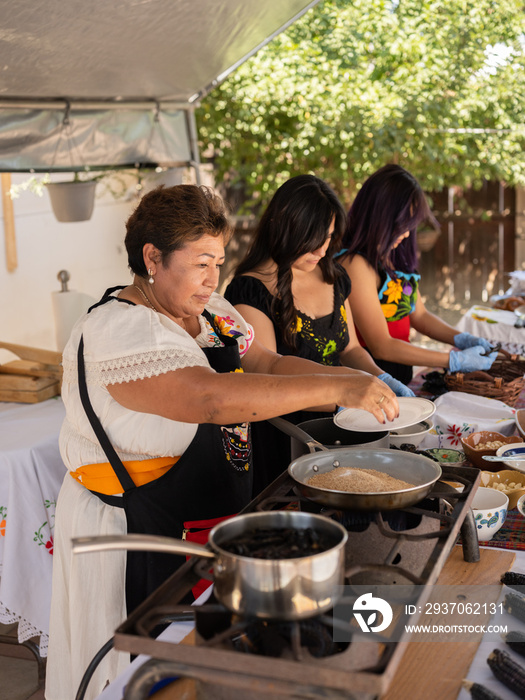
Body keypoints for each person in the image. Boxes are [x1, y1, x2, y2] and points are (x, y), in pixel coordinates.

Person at [45, 184, 398, 700]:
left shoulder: (211, 313)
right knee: (141, 672)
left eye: (219, 262)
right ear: (152, 258)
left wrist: (343, 385)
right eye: (202, 263)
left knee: (203, 670)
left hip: (204, 520)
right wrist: (339, 385)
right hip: (134, 528)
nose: (214, 279)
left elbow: (267, 366)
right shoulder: (118, 332)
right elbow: (207, 398)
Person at [224, 174, 413, 492]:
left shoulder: (333, 276)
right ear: (285, 228)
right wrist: (341, 391)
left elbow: (350, 349)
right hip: (288, 441)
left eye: (328, 238)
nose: (323, 250)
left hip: (344, 429)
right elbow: (267, 370)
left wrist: (381, 378)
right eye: (314, 239)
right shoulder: (249, 291)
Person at [336, 164, 497, 385]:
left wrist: (461, 338)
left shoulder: (391, 256)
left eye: (410, 225)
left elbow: (419, 316)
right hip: (372, 379)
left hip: (400, 374)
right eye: (400, 224)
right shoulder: (355, 264)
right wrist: (453, 360)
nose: (405, 233)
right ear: (377, 216)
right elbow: (381, 345)